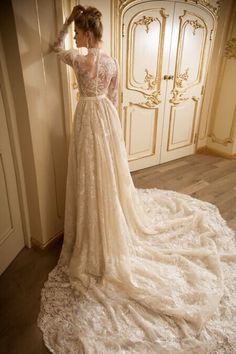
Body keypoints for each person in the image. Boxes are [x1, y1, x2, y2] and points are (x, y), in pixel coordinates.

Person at [38, 5, 236, 353]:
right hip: (105, 120)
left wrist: (68, 21)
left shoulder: (78, 59)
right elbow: (114, 99)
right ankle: (106, 215)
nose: (76, 38)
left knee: (87, 174)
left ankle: (92, 225)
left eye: (79, 33)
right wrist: (111, 134)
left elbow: (54, 47)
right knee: (108, 175)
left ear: (85, 33)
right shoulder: (112, 62)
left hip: (86, 117)